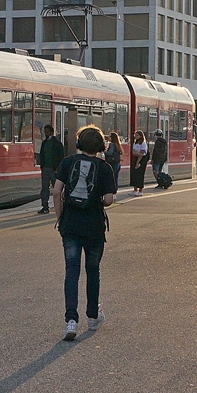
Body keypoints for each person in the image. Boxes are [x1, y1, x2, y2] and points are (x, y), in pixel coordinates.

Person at [53, 124, 116, 341]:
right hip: (94, 227)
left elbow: (56, 191)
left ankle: (70, 320)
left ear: (79, 144)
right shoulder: (104, 168)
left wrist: (60, 218)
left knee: (72, 270)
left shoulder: (68, 162)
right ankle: (92, 316)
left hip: (70, 225)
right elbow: (108, 199)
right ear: (101, 146)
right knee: (92, 270)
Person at [37, 124, 64, 214]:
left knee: (56, 189)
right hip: (45, 168)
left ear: (52, 132)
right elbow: (42, 154)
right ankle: (45, 206)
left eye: (47, 132)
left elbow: (61, 156)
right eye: (45, 132)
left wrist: (57, 168)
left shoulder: (57, 143)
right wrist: (42, 165)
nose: (46, 134)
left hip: (54, 169)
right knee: (45, 188)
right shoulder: (44, 143)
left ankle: (60, 206)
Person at [129, 130, 149, 195]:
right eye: (135, 135)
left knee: (140, 175)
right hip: (136, 159)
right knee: (134, 174)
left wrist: (137, 162)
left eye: (137, 135)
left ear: (141, 136)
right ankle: (135, 189)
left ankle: (140, 190)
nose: (135, 136)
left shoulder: (143, 143)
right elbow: (133, 152)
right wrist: (137, 154)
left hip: (142, 161)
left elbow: (142, 154)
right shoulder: (135, 143)